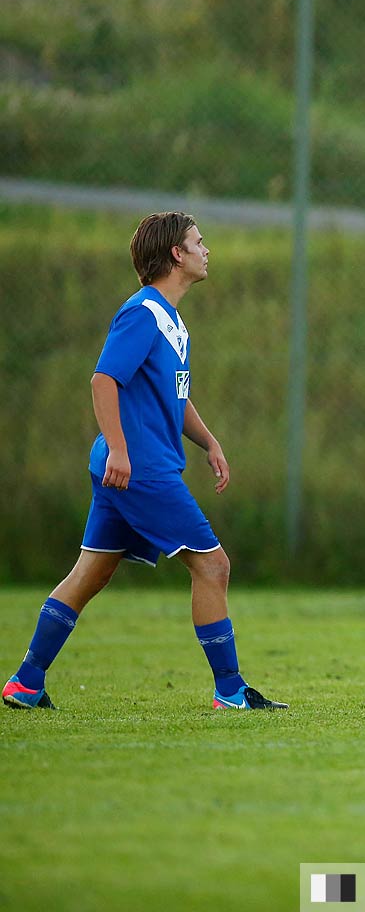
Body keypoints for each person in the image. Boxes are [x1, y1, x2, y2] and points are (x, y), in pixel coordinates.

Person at [4, 213, 285, 712]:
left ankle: (26, 683)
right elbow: (103, 380)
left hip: (133, 468)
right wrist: (119, 448)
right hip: (140, 470)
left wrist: (209, 442)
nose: (206, 250)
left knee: (91, 571)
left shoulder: (172, 320)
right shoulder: (143, 314)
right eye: (199, 242)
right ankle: (231, 692)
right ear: (177, 255)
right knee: (213, 565)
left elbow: (173, 398)